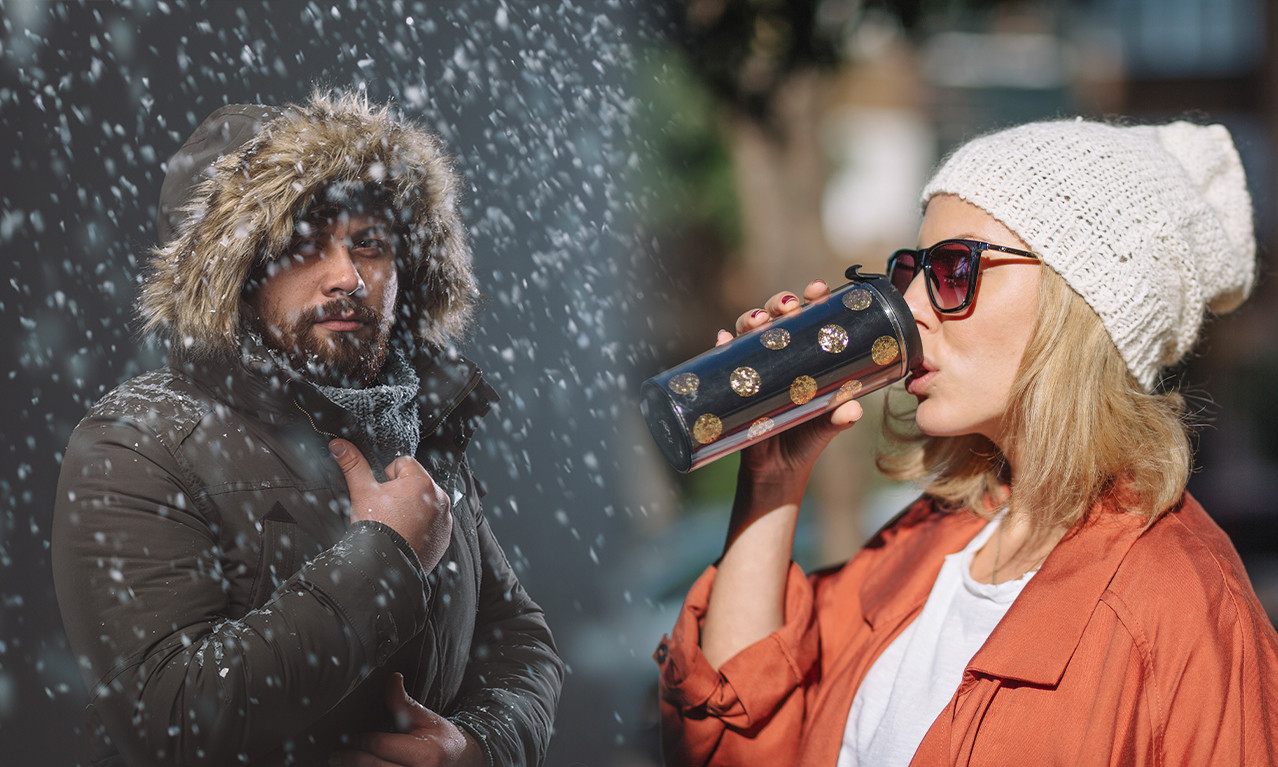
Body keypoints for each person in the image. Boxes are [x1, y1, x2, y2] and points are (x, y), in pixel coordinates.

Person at [654, 118, 1278, 766]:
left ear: (1080, 307)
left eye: (955, 269)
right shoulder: (926, 546)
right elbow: (732, 743)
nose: (913, 307)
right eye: (910, 269)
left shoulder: (1186, 609)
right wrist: (772, 477)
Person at [51, 90, 563, 767]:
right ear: (236, 270)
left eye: (370, 244)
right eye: (304, 243)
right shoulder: (137, 442)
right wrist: (387, 556)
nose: (347, 276)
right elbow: (168, 717)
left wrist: (477, 748)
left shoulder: (414, 422)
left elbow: (520, 641)